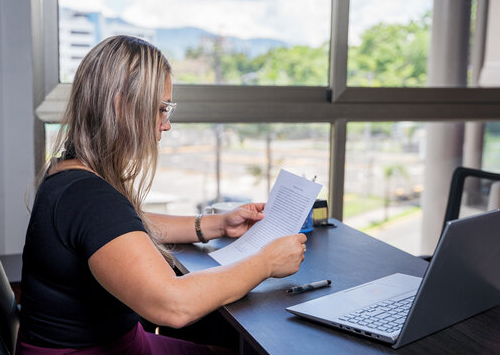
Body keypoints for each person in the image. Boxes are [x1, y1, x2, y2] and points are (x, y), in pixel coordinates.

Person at [17, 35, 307, 354]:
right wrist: (266, 263)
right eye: (160, 109)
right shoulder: (89, 197)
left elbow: (122, 230)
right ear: (121, 106)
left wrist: (215, 224)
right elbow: (174, 306)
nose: (165, 124)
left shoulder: (69, 173)